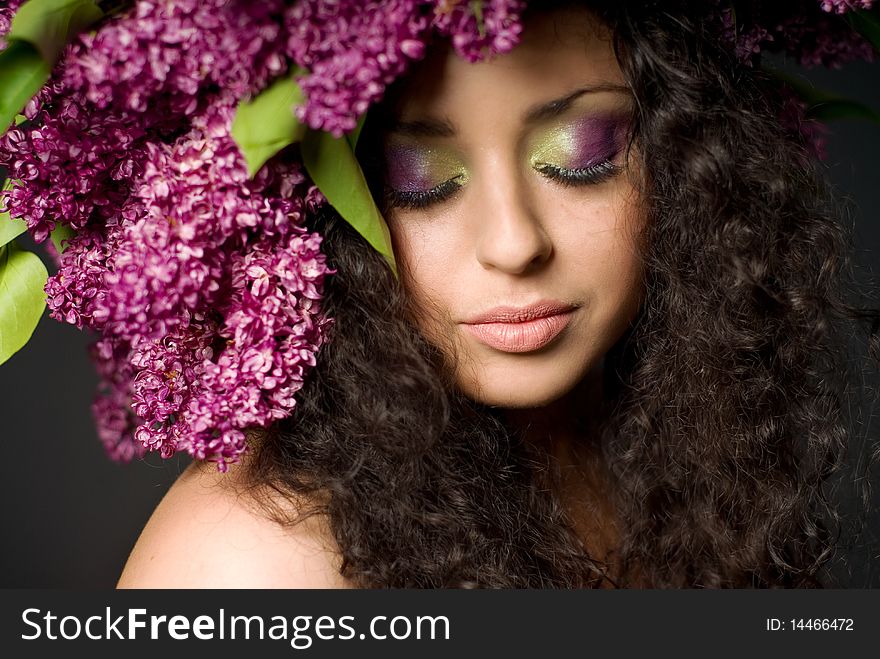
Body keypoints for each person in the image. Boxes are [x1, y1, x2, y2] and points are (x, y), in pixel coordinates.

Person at [112, 0, 880, 589]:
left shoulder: (671, 453)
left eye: (582, 155)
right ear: (303, 210)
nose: (514, 242)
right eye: (417, 182)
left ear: (687, 160)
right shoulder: (245, 562)